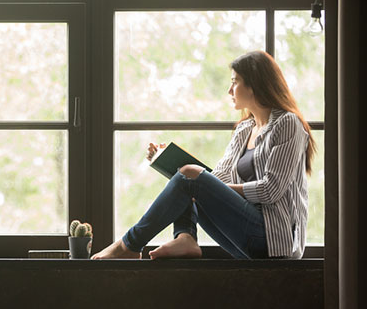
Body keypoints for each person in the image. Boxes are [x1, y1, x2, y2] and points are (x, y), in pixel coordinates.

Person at [92, 50, 316, 260]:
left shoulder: (287, 123)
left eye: (234, 82)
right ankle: (185, 237)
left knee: (192, 177)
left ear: (254, 85)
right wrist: (169, 163)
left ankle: (128, 246)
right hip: (244, 235)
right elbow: (218, 178)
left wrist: (199, 182)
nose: (229, 91)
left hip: (274, 241)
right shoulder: (245, 129)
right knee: (188, 175)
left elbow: (271, 189)